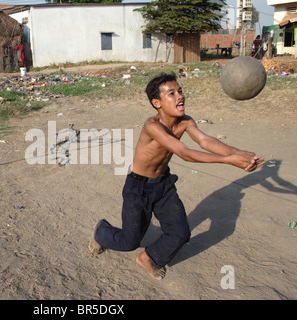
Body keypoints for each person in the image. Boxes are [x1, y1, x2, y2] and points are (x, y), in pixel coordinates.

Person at [89, 73, 265, 280]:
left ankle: (149, 257)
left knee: (180, 234)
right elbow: (184, 153)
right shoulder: (152, 126)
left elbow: (206, 141)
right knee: (129, 242)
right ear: (157, 103)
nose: (180, 96)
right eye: (171, 94)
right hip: (138, 188)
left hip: (163, 185)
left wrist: (239, 154)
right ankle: (101, 231)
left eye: (180, 91)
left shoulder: (185, 121)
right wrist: (229, 160)